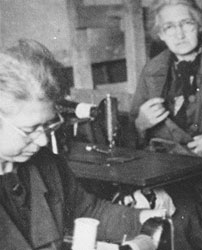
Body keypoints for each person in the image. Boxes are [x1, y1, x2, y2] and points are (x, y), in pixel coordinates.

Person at [0, 40, 167, 250]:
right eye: (30, 130)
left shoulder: (46, 164)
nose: (43, 140)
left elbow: (87, 211)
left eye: (48, 125)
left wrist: (141, 218)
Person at [129, 0, 202, 249]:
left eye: (186, 23)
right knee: (134, 210)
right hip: (166, 176)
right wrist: (140, 124)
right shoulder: (153, 70)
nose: (179, 33)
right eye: (169, 27)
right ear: (161, 35)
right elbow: (130, 140)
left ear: (198, 25)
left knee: (181, 215)